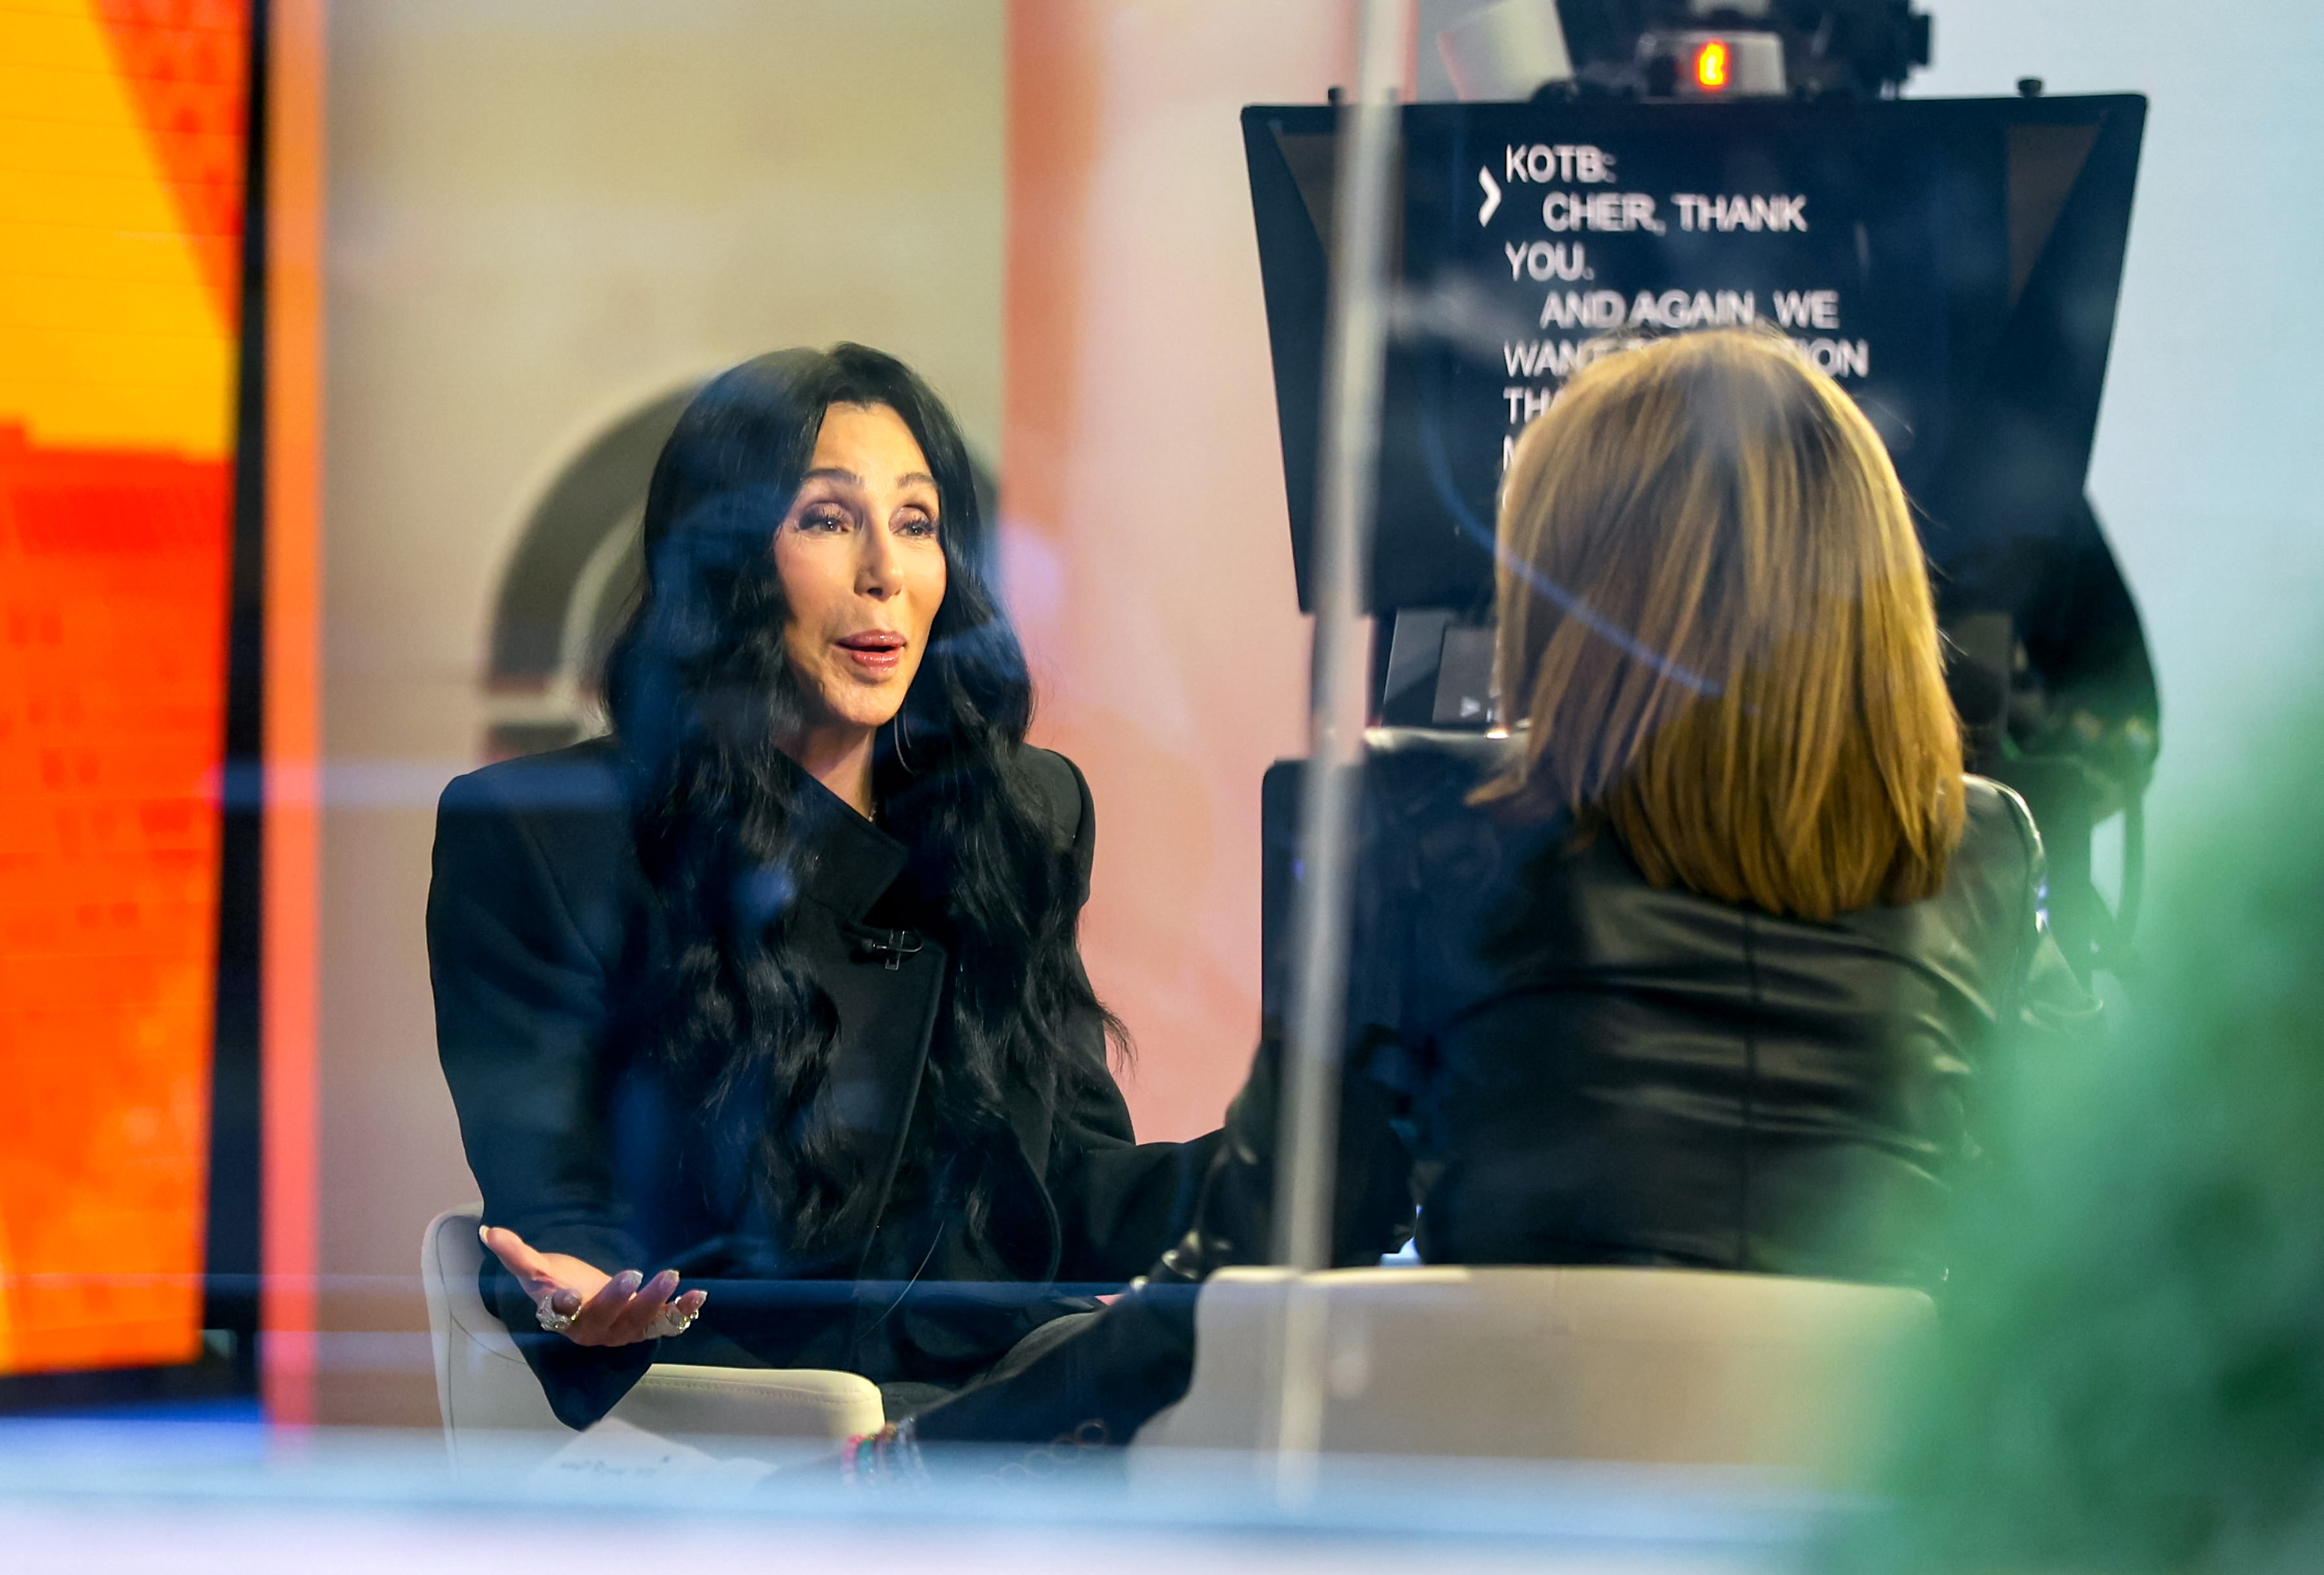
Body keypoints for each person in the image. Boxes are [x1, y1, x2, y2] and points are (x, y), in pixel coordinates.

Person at [886, 325, 2098, 1458]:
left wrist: (922, 1454)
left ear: (1577, 585)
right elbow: (2056, 1233)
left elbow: (1260, 1259)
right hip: (1860, 1513)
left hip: (1510, 1504)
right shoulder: (1983, 845)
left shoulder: (1426, 819)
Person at [427, 344, 1213, 1429]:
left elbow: (1065, 1185)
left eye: (918, 521)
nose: (885, 570)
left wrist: (1278, 1179)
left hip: (996, 1420)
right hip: (742, 1427)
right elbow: (557, 1197)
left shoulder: (1017, 814)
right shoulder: (545, 835)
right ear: (727, 562)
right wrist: (583, 1294)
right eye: (828, 519)